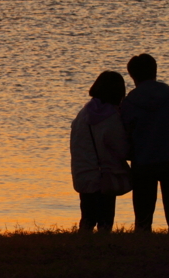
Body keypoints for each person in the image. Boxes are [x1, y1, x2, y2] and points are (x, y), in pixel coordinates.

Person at [120, 53, 169, 233]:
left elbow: (125, 132)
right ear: (155, 71)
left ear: (133, 76)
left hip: (143, 161)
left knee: (143, 216)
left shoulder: (129, 102)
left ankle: (143, 243)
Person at [70, 71, 132, 233]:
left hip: (83, 174)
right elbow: (122, 149)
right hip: (104, 176)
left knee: (87, 218)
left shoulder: (82, 114)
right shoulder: (110, 118)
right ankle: (104, 249)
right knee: (105, 221)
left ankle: (84, 248)